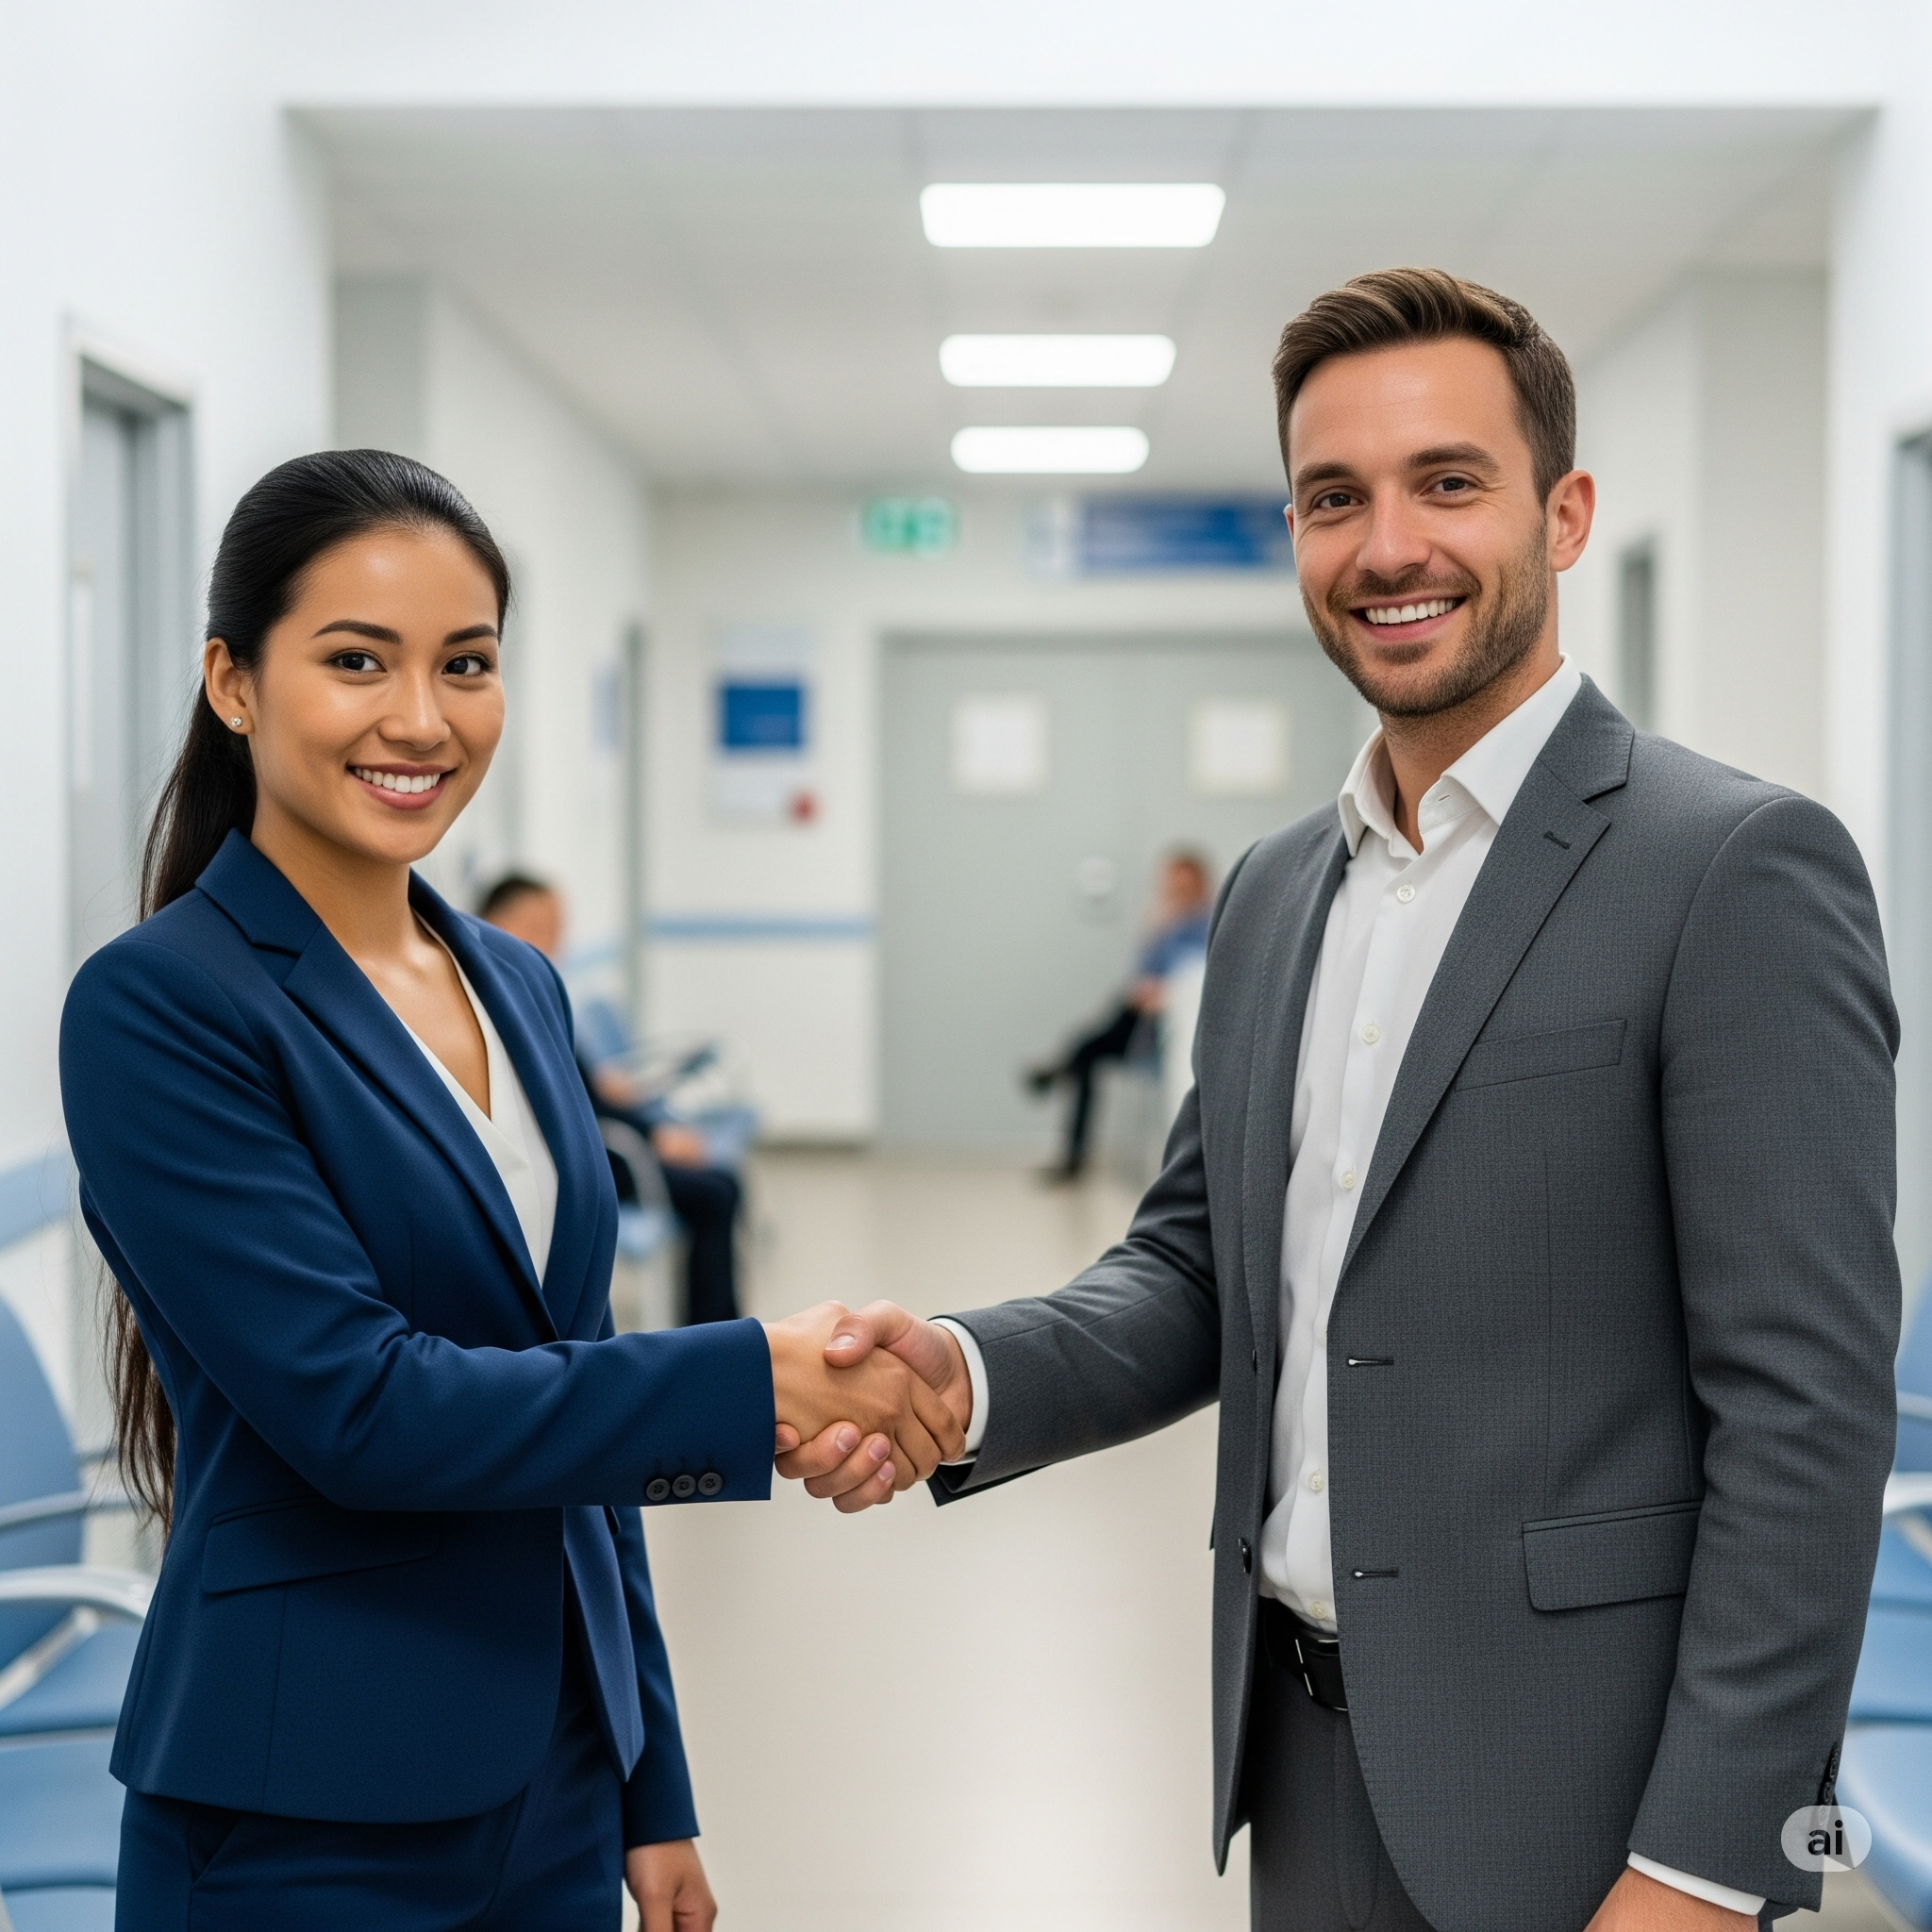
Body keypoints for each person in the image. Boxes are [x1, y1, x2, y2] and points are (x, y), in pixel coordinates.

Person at [783, 270, 1900, 1929]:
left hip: (1590, 1805)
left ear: (1563, 512)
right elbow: (1193, 1272)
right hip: (1301, 1764)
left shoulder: (1730, 869)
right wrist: (960, 1370)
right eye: (1332, 497)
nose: (1387, 545)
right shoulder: (1272, 892)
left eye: (1447, 482)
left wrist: (1704, 1865)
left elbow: (1804, 1416)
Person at [60, 449, 958, 1930]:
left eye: (466, 664)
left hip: (555, 1776)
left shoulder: (516, 984)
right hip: (306, 1807)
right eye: (358, 661)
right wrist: (763, 1378)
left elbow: (576, 1395)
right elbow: (362, 1410)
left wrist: (650, 1783)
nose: (422, 719)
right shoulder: (161, 1008)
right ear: (234, 682)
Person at [479, 874, 744, 1324]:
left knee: (723, 1184)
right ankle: (714, 1330)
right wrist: (656, 1135)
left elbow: (584, 1092)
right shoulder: (504, 1004)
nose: (554, 940)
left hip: (600, 1138)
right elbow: (576, 1110)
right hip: (590, 1155)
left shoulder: (531, 991)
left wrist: (640, 1115)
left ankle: (717, 1327)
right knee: (716, 1194)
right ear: (491, 922)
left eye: (558, 926)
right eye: (539, 925)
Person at [1024, 849, 1214, 1180]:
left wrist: (1164, 994)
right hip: (1139, 1015)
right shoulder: (1165, 926)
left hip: (1165, 1023)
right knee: (1087, 1056)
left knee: (1087, 1049)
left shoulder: (1210, 925)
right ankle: (1072, 1153)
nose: (1177, 892)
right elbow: (1141, 976)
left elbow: (1200, 979)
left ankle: (1058, 1073)